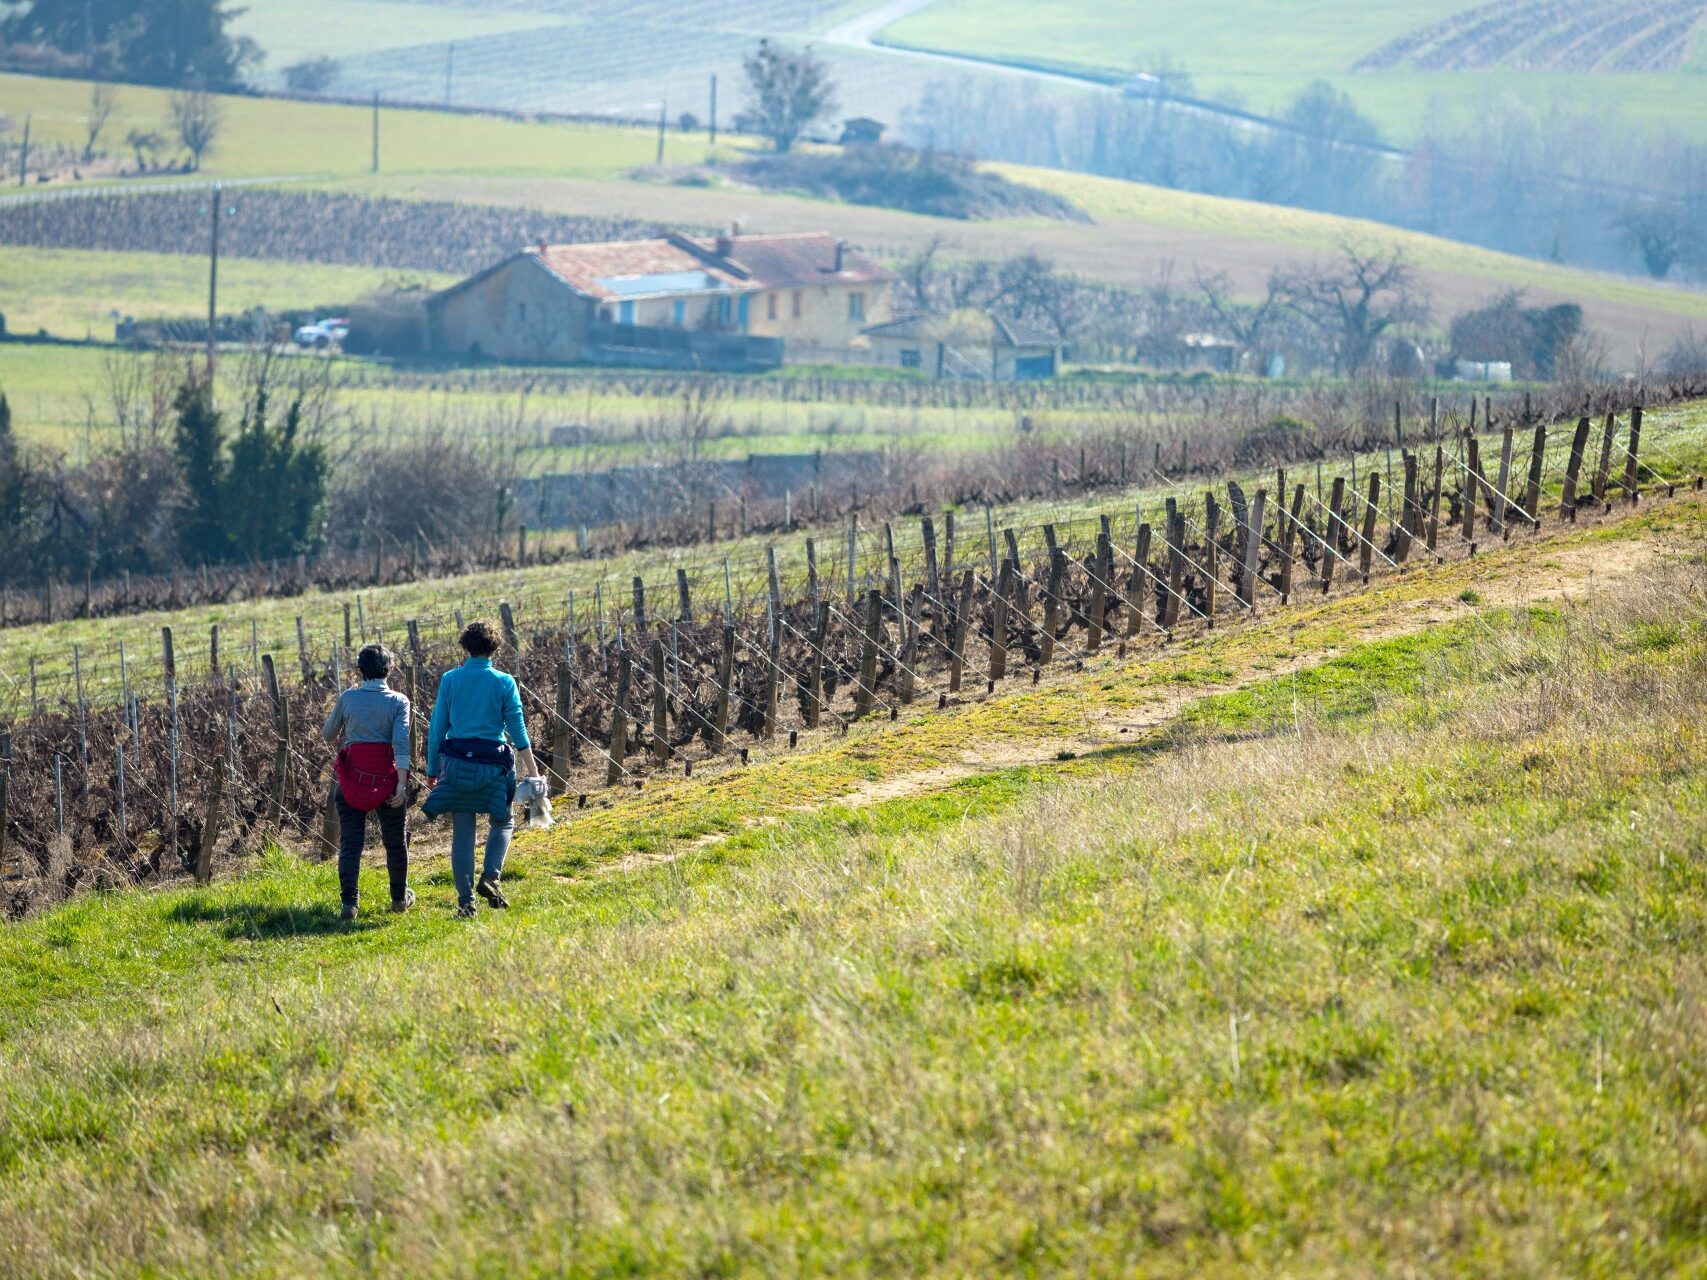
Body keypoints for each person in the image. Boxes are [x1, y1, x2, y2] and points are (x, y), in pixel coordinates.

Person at [423, 620, 543, 918]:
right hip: (495, 768)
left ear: (465, 646)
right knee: (502, 821)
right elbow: (518, 730)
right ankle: (491, 876)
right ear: (495, 647)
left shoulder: (450, 679)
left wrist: (432, 770)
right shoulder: (504, 682)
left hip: (457, 765)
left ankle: (466, 903)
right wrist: (534, 772)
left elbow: (438, 728)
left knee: (463, 832)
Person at [321, 643, 414, 921]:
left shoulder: (348, 698)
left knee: (351, 843)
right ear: (390, 669)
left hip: (352, 783)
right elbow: (400, 743)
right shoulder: (399, 702)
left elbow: (328, 733)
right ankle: (399, 898)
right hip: (386, 781)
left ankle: (349, 903)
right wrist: (401, 783)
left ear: (360, 671)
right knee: (395, 842)